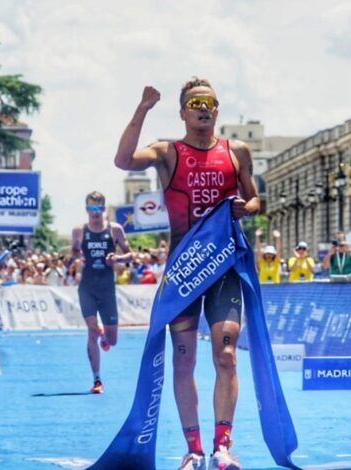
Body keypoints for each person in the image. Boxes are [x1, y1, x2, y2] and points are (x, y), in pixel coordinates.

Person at [115, 78, 259, 470]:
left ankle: (222, 447)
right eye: (195, 102)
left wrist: (248, 207)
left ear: (217, 110)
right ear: (182, 111)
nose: (203, 108)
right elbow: (123, 161)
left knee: (226, 355)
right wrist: (142, 109)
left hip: (223, 267)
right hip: (184, 270)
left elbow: (254, 197)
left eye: (210, 103)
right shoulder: (168, 152)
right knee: (184, 359)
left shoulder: (236, 151)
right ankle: (193, 449)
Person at [71, 191, 133, 394]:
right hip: (87, 288)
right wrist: (73, 259)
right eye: (91, 208)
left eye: (98, 208)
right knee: (91, 330)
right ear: (86, 209)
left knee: (112, 340)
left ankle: (105, 338)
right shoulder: (79, 230)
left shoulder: (115, 230)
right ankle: (97, 379)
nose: (94, 212)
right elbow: (72, 254)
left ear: (104, 209)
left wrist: (118, 258)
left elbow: (131, 254)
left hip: (107, 289)